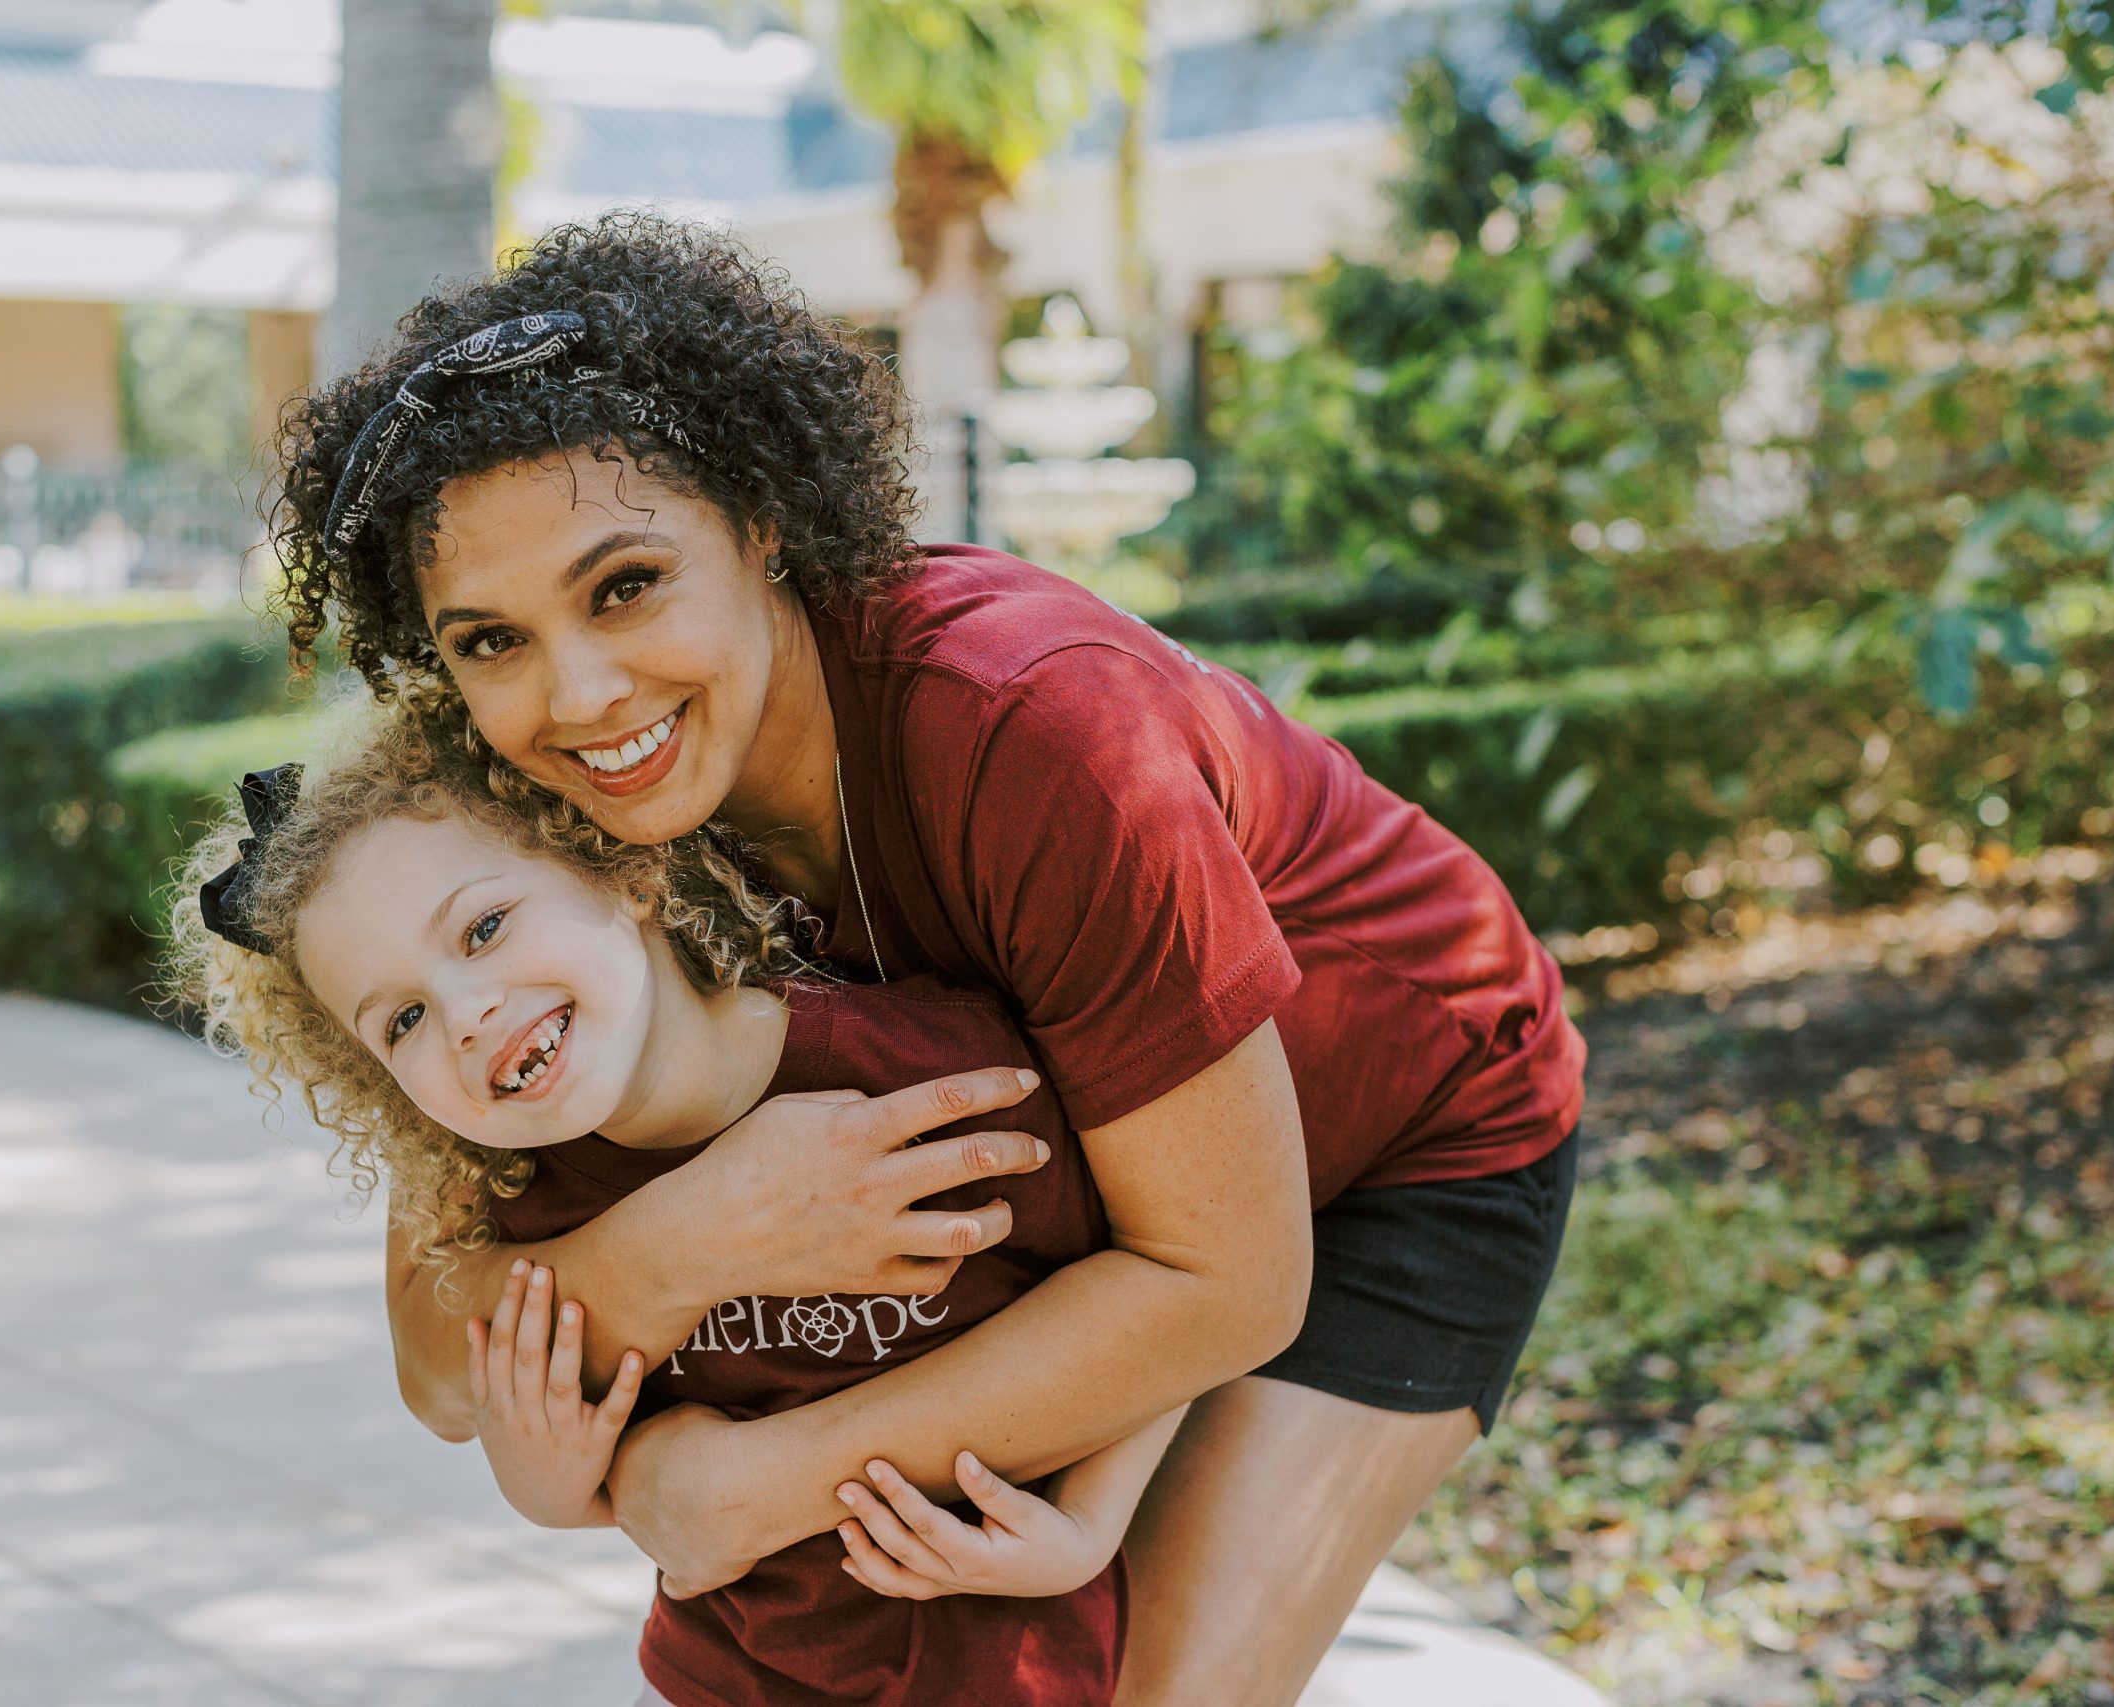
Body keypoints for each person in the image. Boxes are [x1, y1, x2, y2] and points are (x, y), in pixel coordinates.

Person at [270, 212, 1587, 1706]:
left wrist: (755, 1481)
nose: (579, 691)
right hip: (1091, 1209)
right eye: (488, 639)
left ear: (761, 517)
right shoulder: (521, 833)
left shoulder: (1034, 728)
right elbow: (443, 1362)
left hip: (1396, 1141)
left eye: (626, 581)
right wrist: (695, 1239)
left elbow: (1226, 1279)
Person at [168, 714, 1185, 1706]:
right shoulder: (537, 1221)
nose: (467, 1014)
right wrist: (546, 1479)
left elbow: (1158, 1292)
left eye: (483, 928)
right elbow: (593, 1485)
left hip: (1017, 1669)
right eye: (403, 1020)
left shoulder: (931, 1080)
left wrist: (1091, 1524)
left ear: (628, 874)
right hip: (722, 1677)